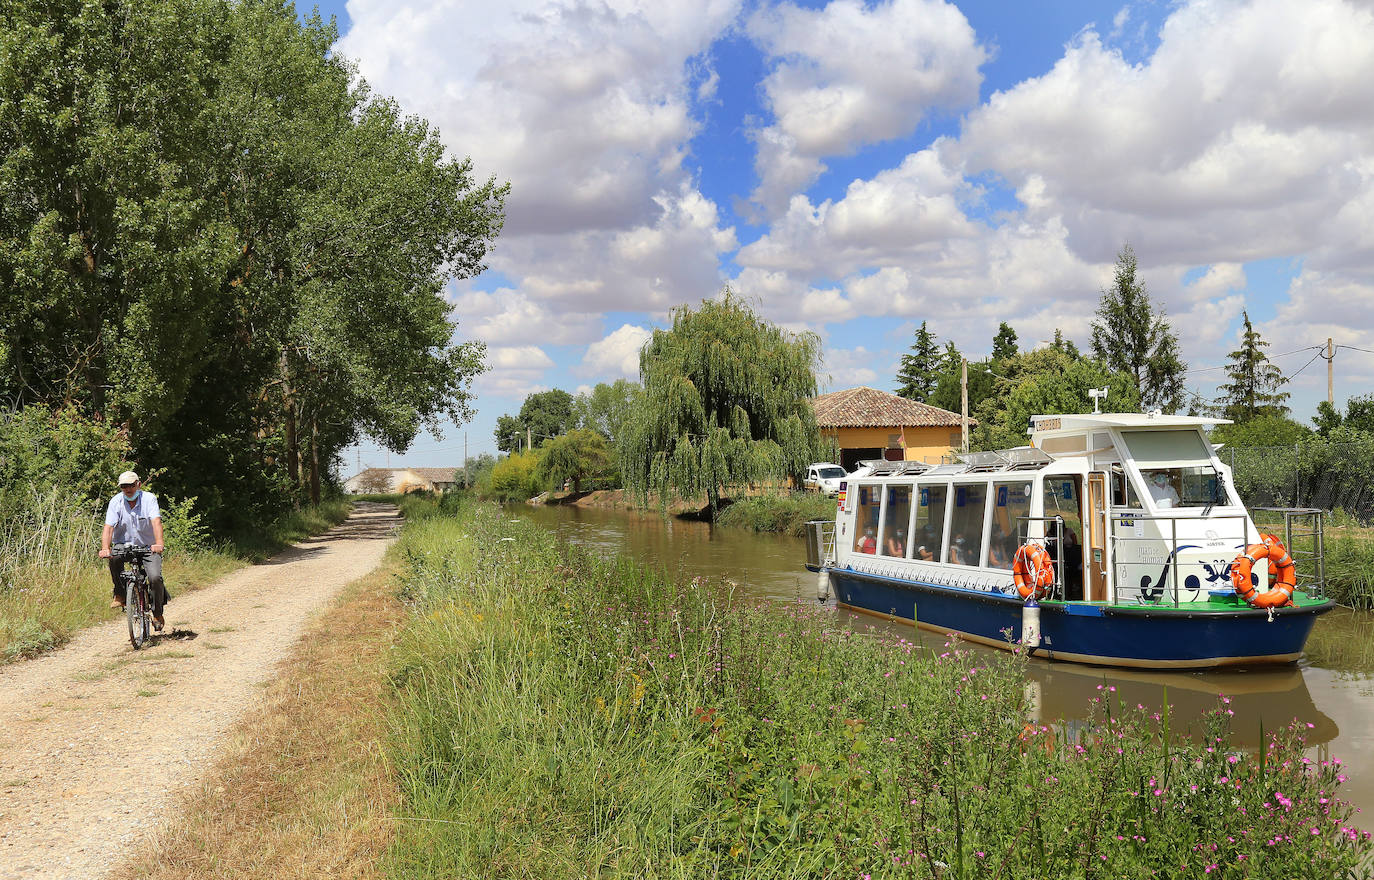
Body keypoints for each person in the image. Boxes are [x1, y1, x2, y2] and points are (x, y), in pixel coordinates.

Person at [98, 471, 168, 627]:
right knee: (114, 557)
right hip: (124, 544)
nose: (128, 489)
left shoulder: (149, 499)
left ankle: (157, 613)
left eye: (131, 485)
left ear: (138, 484)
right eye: (124, 486)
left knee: (155, 577)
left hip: (148, 546)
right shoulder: (116, 501)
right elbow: (109, 527)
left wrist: (159, 543)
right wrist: (105, 548)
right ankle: (120, 594)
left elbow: (156, 522)